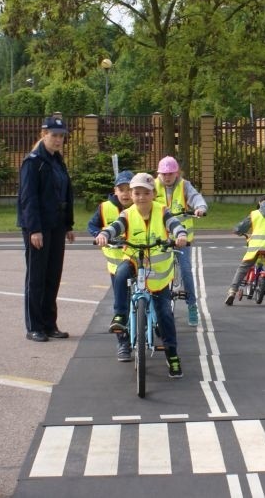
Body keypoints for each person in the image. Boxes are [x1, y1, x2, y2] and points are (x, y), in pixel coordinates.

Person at [95, 172, 189, 378]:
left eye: (145, 193)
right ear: (132, 194)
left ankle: (172, 355)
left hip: (159, 274)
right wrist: (104, 234)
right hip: (134, 262)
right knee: (120, 273)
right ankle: (120, 315)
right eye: (136, 193)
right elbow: (115, 226)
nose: (140, 197)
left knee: (165, 313)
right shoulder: (127, 214)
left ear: (153, 194)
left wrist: (180, 234)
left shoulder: (162, 211)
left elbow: (174, 224)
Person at [17, 116, 76, 342]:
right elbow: (28, 198)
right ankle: (34, 326)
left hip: (57, 224)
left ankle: (50, 324)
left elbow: (65, 195)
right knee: (37, 277)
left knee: (53, 276)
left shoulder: (57, 161)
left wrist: (68, 225)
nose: (58, 140)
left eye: (61, 136)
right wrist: (34, 229)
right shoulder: (33, 162)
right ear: (44, 134)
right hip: (39, 226)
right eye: (54, 135)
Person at [154, 155, 208, 326]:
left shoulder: (184, 185)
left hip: (181, 239)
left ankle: (192, 305)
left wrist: (200, 207)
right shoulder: (153, 186)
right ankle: (151, 308)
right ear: (159, 174)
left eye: (170, 174)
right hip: (160, 238)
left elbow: (195, 197)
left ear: (176, 173)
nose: (167, 177)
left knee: (185, 270)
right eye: (163, 174)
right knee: (153, 271)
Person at [88, 170, 135, 362]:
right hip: (117, 266)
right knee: (121, 304)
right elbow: (92, 226)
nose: (125, 194)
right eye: (121, 189)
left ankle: (146, 326)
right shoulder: (105, 208)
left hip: (140, 261)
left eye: (129, 189)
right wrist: (99, 235)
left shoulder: (141, 207)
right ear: (115, 190)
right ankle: (123, 342)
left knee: (145, 298)